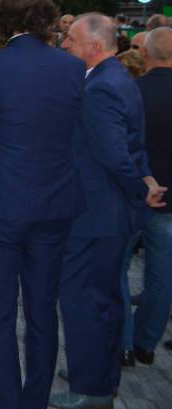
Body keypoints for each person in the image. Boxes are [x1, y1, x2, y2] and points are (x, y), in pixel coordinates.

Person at [0, 0, 86, 409]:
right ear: (48, 15)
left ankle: (6, 402)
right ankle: (35, 400)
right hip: (54, 204)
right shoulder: (72, 68)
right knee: (42, 311)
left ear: (0, 16)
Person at [51, 14, 164, 408]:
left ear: (93, 47)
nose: (65, 45)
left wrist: (140, 187)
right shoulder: (119, 79)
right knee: (103, 300)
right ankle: (96, 372)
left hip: (96, 214)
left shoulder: (100, 88)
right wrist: (145, 181)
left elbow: (116, 154)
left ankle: (91, 390)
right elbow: (135, 144)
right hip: (108, 212)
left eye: (70, 39)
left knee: (85, 302)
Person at [130, 28, 172, 362]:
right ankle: (146, 343)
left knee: (113, 272)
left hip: (132, 193)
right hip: (168, 200)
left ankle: (121, 343)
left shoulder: (134, 92)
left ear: (146, 53)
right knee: (161, 275)